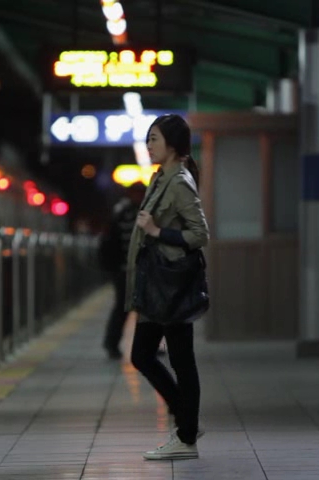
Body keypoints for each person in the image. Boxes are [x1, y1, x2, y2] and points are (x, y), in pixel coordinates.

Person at [126, 114, 209, 460]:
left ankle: (186, 436)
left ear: (173, 145)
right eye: (148, 139)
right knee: (144, 355)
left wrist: (158, 232)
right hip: (157, 284)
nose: (149, 145)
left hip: (170, 284)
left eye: (154, 139)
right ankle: (187, 421)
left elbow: (200, 234)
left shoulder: (179, 181)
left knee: (179, 359)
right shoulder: (161, 177)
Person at [101, 182, 146, 359]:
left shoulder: (129, 212)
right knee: (125, 307)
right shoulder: (123, 212)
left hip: (137, 269)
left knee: (142, 308)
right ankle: (111, 344)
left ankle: (147, 345)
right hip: (124, 269)